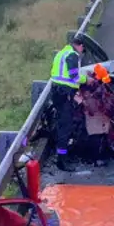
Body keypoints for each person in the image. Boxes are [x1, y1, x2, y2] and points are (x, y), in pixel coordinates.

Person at [49, 34, 89, 171]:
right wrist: (87, 80)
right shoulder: (72, 55)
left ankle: (62, 156)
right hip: (64, 94)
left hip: (58, 93)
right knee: (65, 127)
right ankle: (62, 161)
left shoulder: (62, 52)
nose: (82, 53)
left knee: (62, 125)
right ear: (81, 46)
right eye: (83, 50)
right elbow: (74, 76)